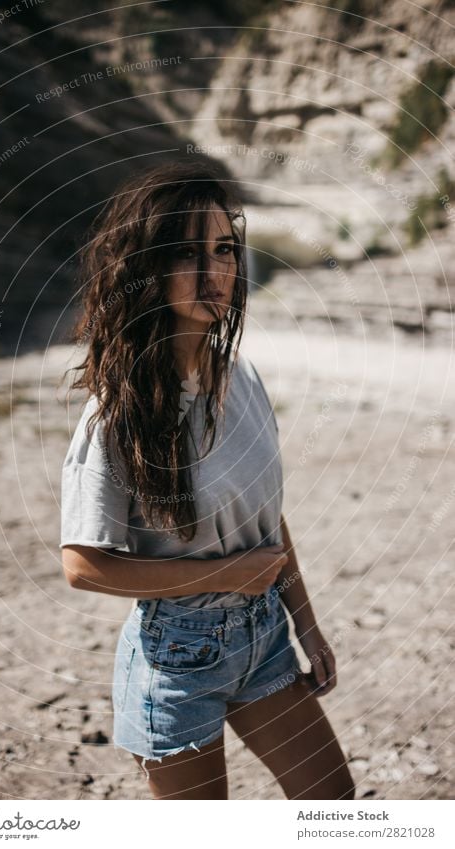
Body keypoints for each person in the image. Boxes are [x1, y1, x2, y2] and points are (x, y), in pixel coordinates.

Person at [59, 159, 355, 801]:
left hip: (265, 636)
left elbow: (266, 520)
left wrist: (306, 626)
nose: (214, 271)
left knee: (332, 803)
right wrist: (220, 576)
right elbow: (82, 566)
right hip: (176, 660)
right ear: (147, 267)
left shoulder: (241, 377)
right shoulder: (118, 410)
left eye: (224, 249)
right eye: (188, 252)